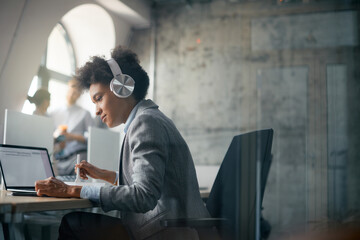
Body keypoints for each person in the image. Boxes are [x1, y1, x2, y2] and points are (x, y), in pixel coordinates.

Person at [35, 46, 210, 240]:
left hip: (165, 232)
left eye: (99, 99)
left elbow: (143, 195)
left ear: (122, 87)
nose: (97, 111)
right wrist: (105, 175)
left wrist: (72, 190)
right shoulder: (150, 118)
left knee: (73, 223)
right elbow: (152, 181)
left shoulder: (145, 122)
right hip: (170, 227)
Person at [51, 78, 94, 176]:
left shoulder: (85, 114)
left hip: (77, 158)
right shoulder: (53, 113)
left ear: (80, 94)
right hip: (57, 159)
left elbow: (94, 139)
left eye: (76, 90)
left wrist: (72, 137)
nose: (72, 93)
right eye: (71, 88)